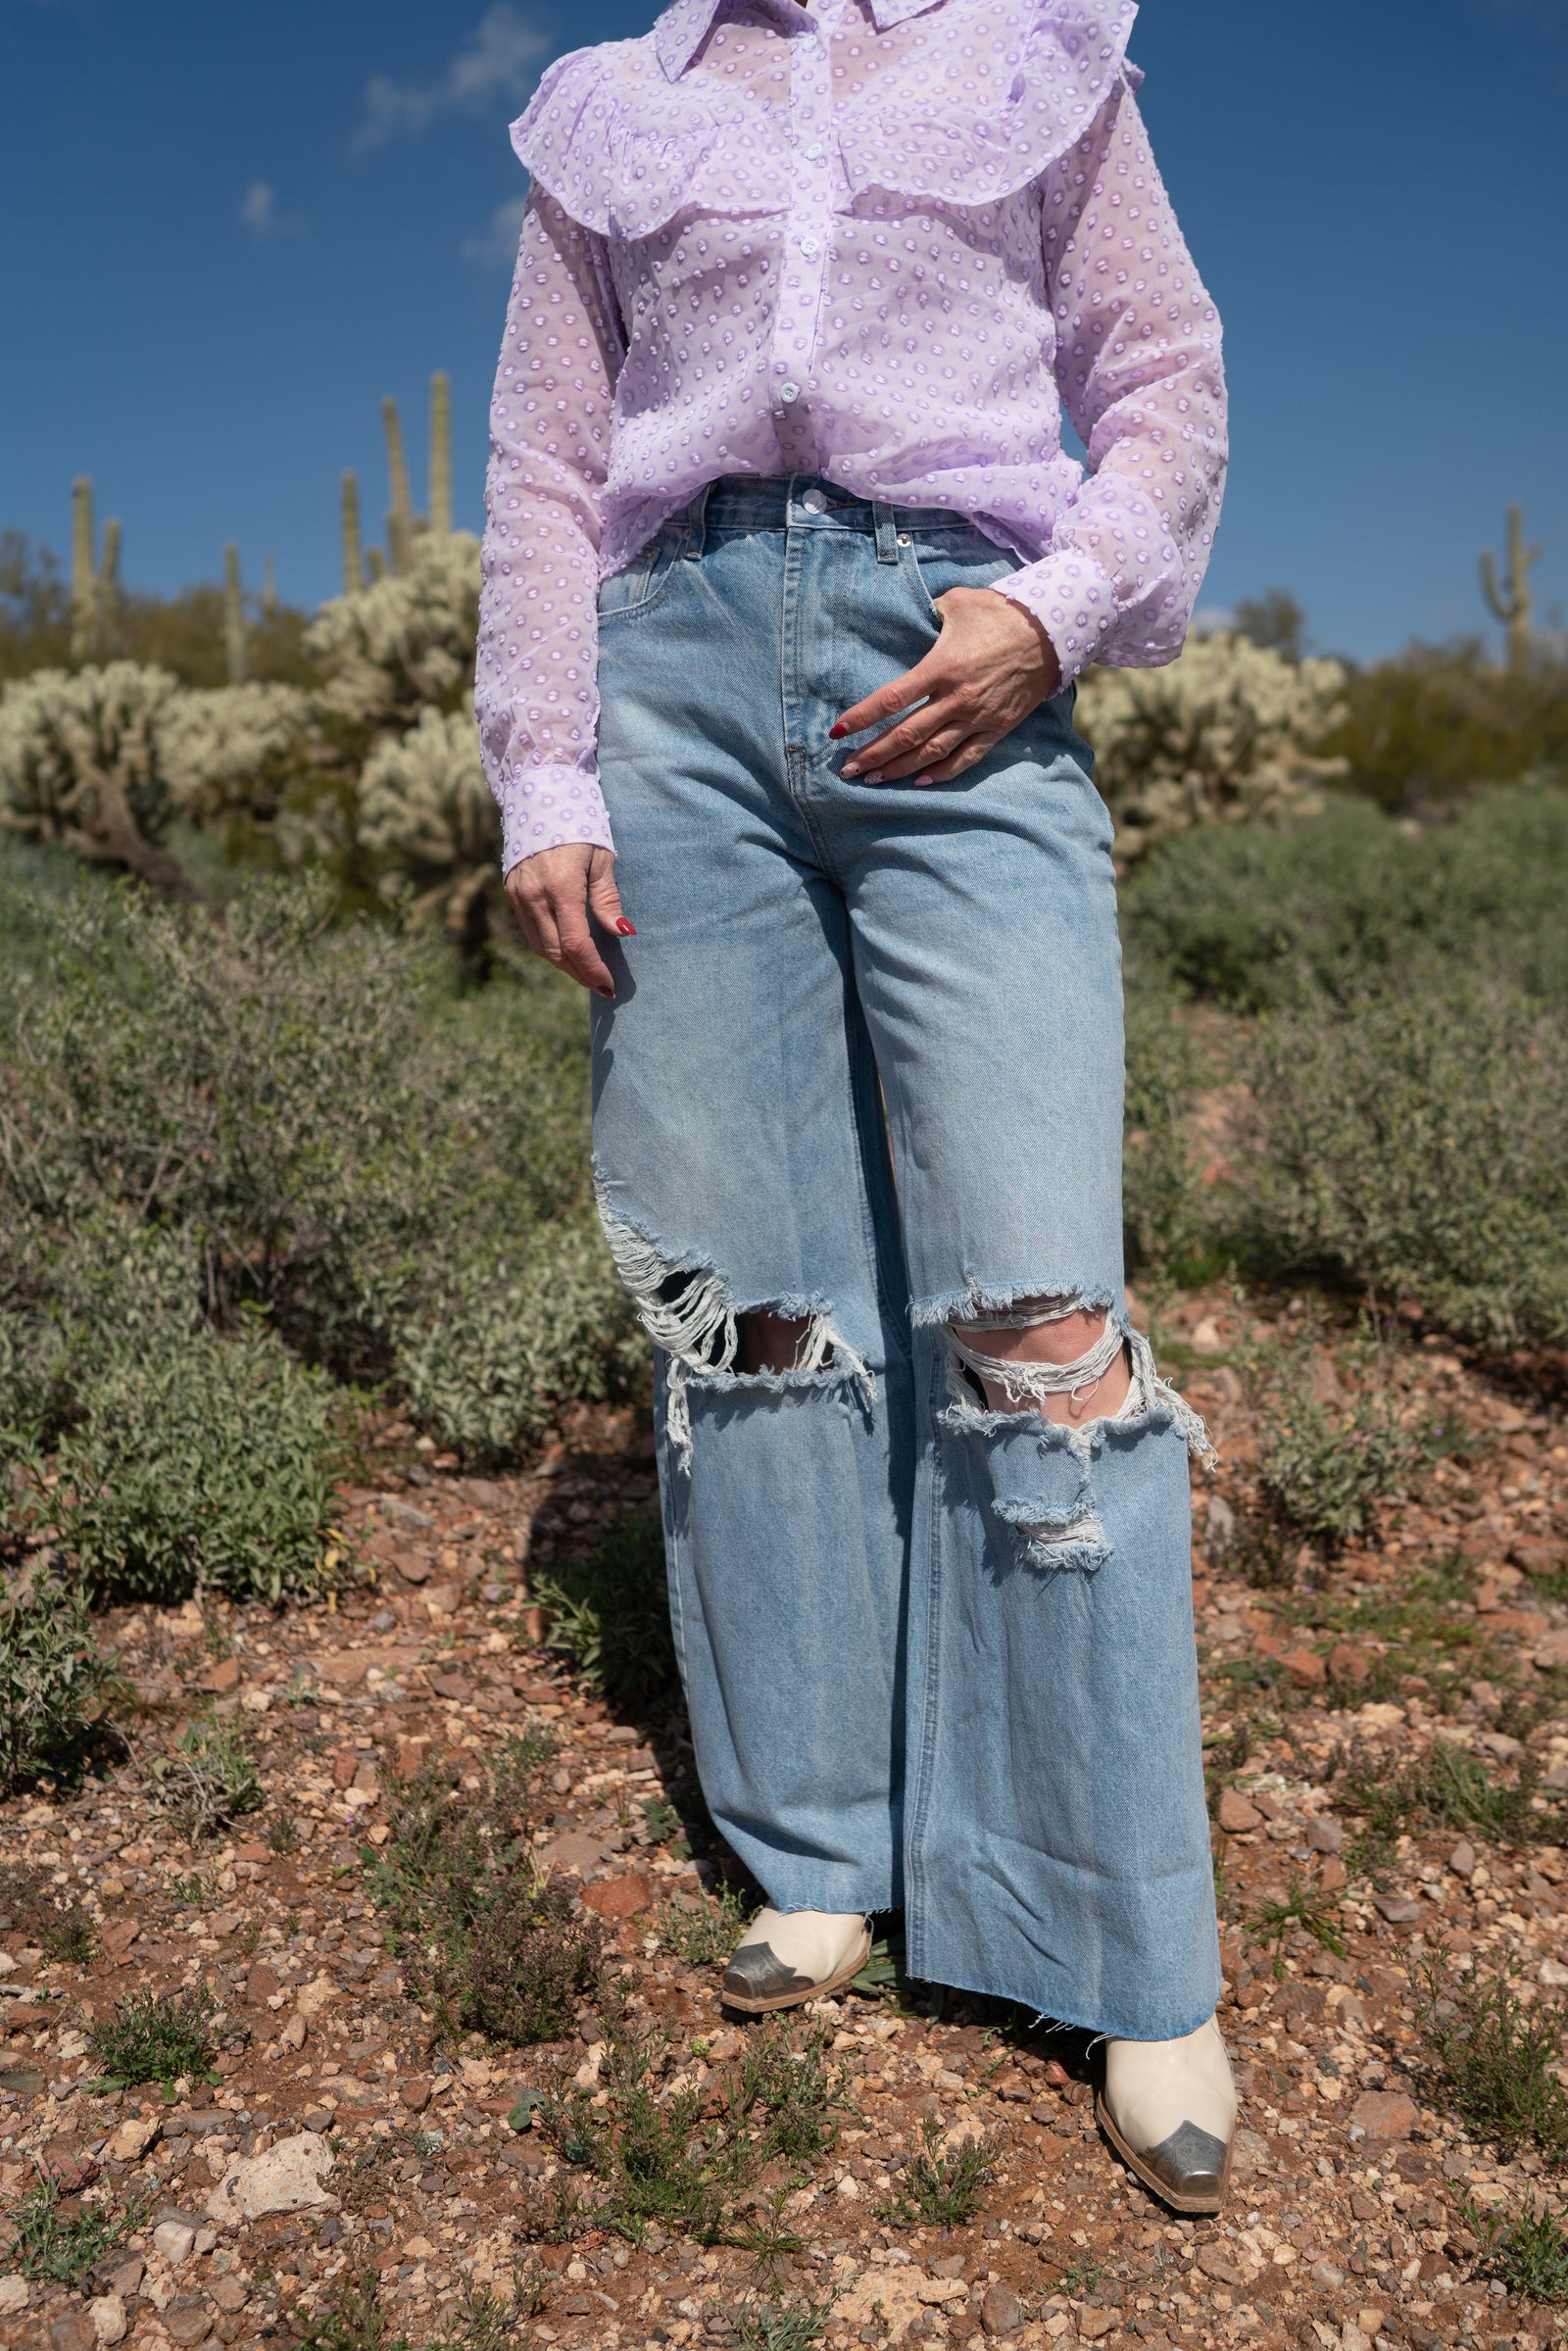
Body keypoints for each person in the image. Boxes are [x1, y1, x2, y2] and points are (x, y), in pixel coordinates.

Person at [477, 0, 1236, 2214]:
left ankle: (1118, 1937)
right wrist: (546, 766)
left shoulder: (1028, 52)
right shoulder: (613, 112)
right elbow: (540, 464)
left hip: (953, 658)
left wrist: (1055, 613)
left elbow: (1164, 378)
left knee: (1038, 1308)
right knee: (760, 1309)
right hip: (673, 697)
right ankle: (820, 1841)